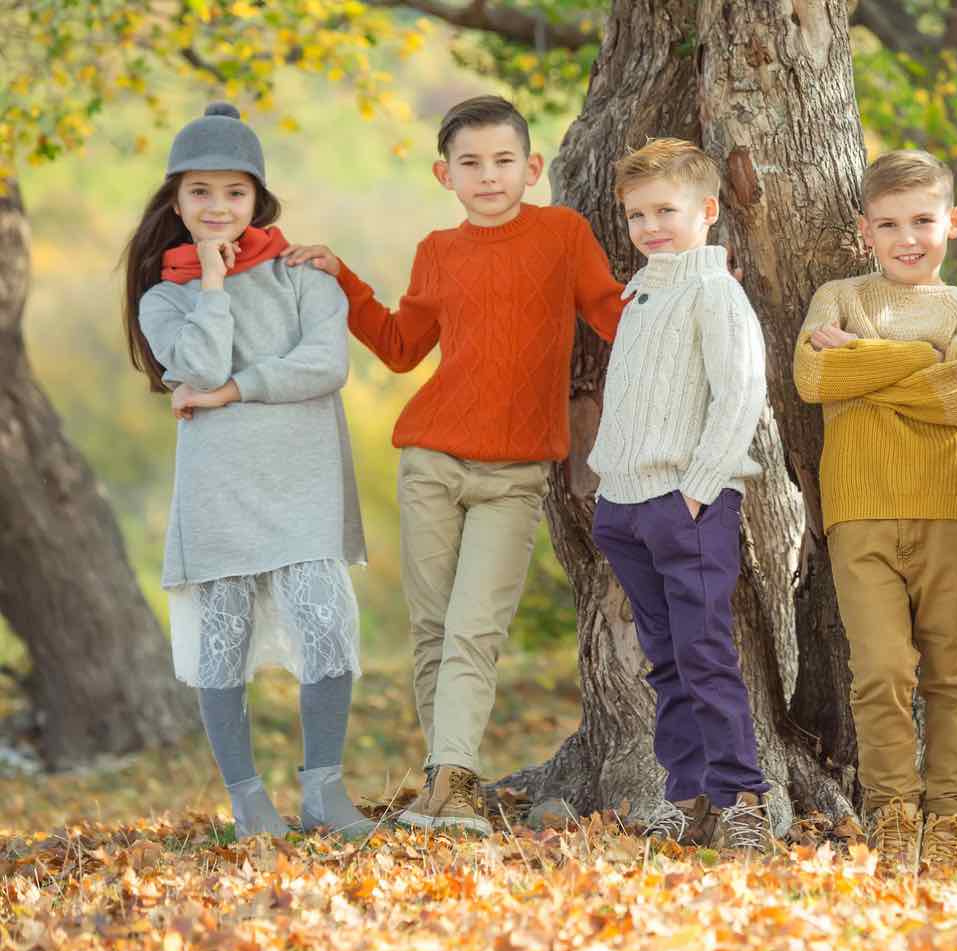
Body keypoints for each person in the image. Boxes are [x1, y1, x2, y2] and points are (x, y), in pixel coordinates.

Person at [284, 96, 623, 834]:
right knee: (433, 629)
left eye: (504, 161)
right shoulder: (439, 250)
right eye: (471, 163)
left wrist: (686, 286)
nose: (489, 175)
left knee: (475, 629)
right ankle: (445, 785)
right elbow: (405, 346)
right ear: (445, 174)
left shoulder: (564, 234)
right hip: (431, 460)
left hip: (515, 474)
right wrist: (343, 280)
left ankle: (457, 785)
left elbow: (609, 311)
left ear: (531, 168)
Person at [123, 102, 371, 840]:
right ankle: (247, 802)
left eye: (234, 192)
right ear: (176, 200)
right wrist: (210, 282)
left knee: (329, 634)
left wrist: (233, 391)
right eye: (200, 192)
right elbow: (194, 362)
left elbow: (325, 366)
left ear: (257, 198)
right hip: (220, 490)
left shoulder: (302, 274)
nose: (217, 207)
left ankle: (324, 791)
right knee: (220, 648)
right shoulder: (164, 297)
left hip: (303, 484)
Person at [794, 149, 957, 872]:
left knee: (953, 670)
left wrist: (869, 358)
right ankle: (893, 813)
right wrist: (922, 358)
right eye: (889, 224)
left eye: (923, 220)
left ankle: (951, 820)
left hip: (955, 503)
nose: (907, 237)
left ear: (953, 221)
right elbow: (815, 375)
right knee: (880, 668)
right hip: (860, 507)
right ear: (865, 231)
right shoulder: (838, 297)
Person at [588, 138, 774, 853]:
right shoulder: (640, 293)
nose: (651, 227)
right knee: (664, 660)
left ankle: (742, 801)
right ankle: (688, 794)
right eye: (637, 215)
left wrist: (697, 489)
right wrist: (615, 498)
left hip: (686, 504)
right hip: (626, 507)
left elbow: (741, 394)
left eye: (666, 210)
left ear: (707, 210)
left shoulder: (713, 291)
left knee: (704, 652)